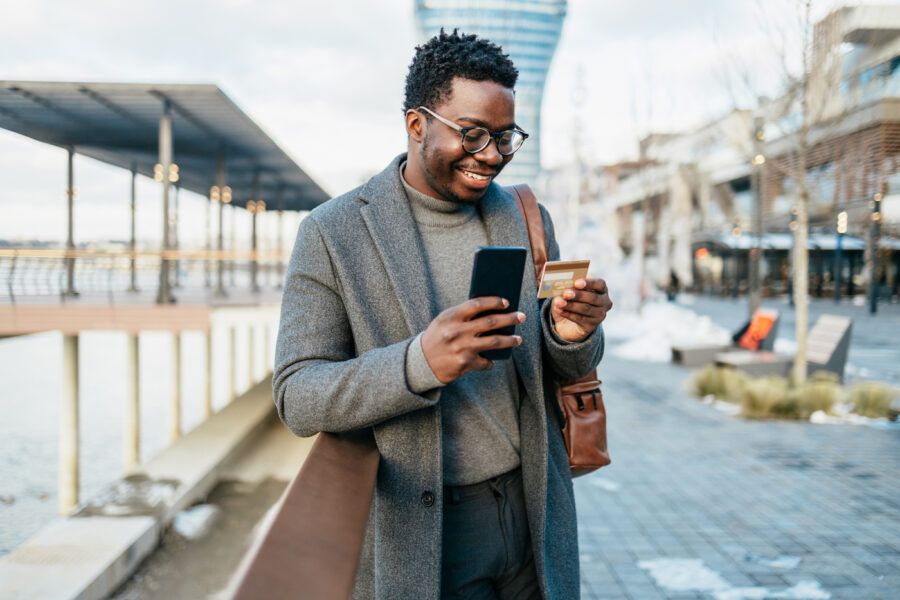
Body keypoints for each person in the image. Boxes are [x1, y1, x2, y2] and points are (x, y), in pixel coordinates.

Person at [273, 29, 612, 600]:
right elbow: (296, 395)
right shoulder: (332, 234)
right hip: (424, 531)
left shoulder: (527, 215)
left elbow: (558, 361)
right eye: (473, 134)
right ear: (416, 124)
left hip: (533, 509)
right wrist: (418, 363)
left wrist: (571, 332)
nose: (492, 156)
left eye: (506, 138)